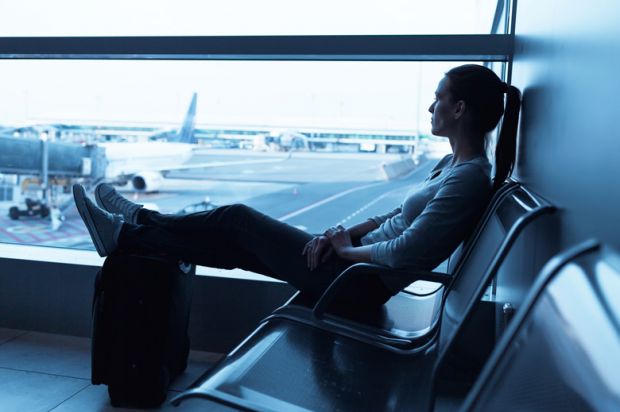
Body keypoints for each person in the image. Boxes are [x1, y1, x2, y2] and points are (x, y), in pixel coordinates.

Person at [73, 64, 521, 308]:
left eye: (438, 98)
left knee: (237, 220)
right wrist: (337, 236)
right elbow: (395, 220)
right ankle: (132, 229)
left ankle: (134, 225)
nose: (430, 107)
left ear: (459, 109)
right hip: (354, 267)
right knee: (235, 246)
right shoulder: (453, 164)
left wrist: (345, 250)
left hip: (358, 284)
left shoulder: (468, 179)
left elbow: (405, 250)